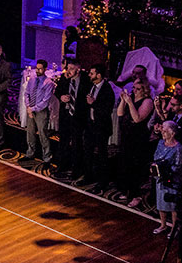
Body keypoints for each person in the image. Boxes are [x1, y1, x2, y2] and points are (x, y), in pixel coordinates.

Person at [116, 78, 154, 207]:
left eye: (138, 89)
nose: (134, 91)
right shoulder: (130, 98)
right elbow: (120, 113)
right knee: (125, 163)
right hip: (127, 135)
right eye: (134, 88)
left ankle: (136, 195)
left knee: (135, 166)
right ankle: (126, 190)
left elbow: (137, 118)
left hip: (138, 138)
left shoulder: (148, 101)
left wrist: (130, 103)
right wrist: (123, 100)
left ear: (144, 90)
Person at [53, 60, 91, 179]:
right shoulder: (64, 78)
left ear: (78, 70)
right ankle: (62, 165)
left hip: (78, 116)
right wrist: (61, 97)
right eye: (67, 68)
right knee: (63, 141)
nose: (68, 71)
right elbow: (57, 91)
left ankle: (76, 169)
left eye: (71, 69)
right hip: (65, 115)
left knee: (77, 143)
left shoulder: (86, 80)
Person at [82, 64, 115, 194]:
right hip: (91, 125)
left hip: (101, 127)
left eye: (92, 73)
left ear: (99, 75)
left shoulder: (107, 90)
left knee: (102, 155)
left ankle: (102, 182)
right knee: (88, 152)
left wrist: (93, 103)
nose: (89, 75)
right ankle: (88, 176)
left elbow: (107, 110)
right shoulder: (92, 86)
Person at [152, 120, 182, 236]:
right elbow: (156, 156)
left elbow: (178, 165)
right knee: (160, 201)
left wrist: (167, 171)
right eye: (162, 131)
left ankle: (174, 229)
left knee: (172, 205)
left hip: (172, 179)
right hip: (160, 177)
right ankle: (163, 224)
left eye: (165, 131)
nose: (163, 133)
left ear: (173, 133)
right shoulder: (160, 143)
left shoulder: (178, 147)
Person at [20, 59, 54, 163]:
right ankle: (30, 153)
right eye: (37, 68)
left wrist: (32, 109)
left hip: (41, 111)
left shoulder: (49, 83)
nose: (37, 71)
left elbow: (45, 101)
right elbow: (27, 93)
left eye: (40, 69)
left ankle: (47, 157)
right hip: (31, 109)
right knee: (30, 133)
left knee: (43, 134)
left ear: (45, 69)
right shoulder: (32, 79)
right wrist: (28, 107)